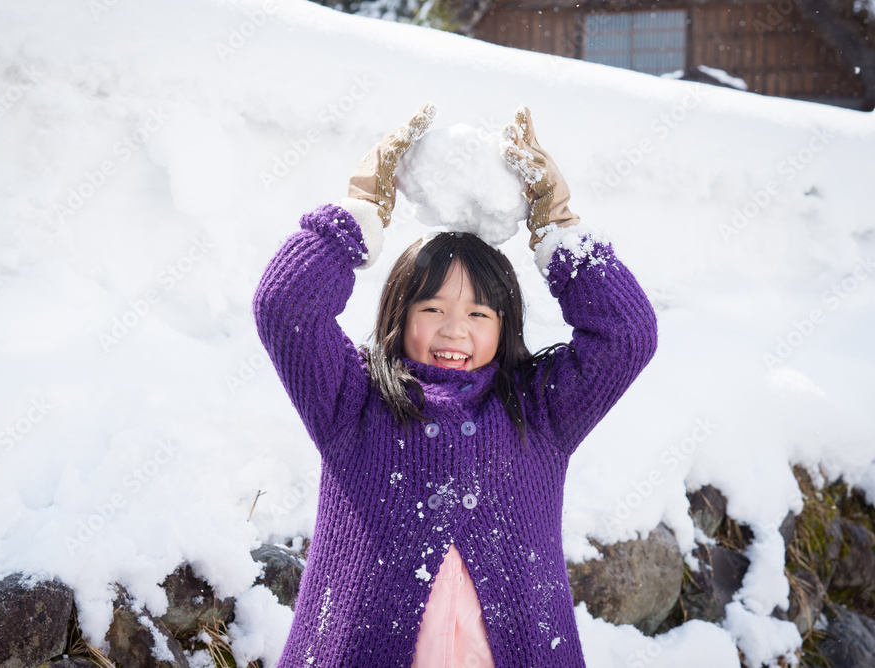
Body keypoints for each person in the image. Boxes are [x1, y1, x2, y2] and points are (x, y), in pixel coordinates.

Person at [252, 103, 658, 668]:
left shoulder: (539, 410)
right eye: (433, 306)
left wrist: (560, 229)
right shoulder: (352, 400)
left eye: (479, 315)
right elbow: (285, 305)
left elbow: (627, 335)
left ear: (505, 325)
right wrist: (361, 208)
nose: (453, 330)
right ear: (400, 313)